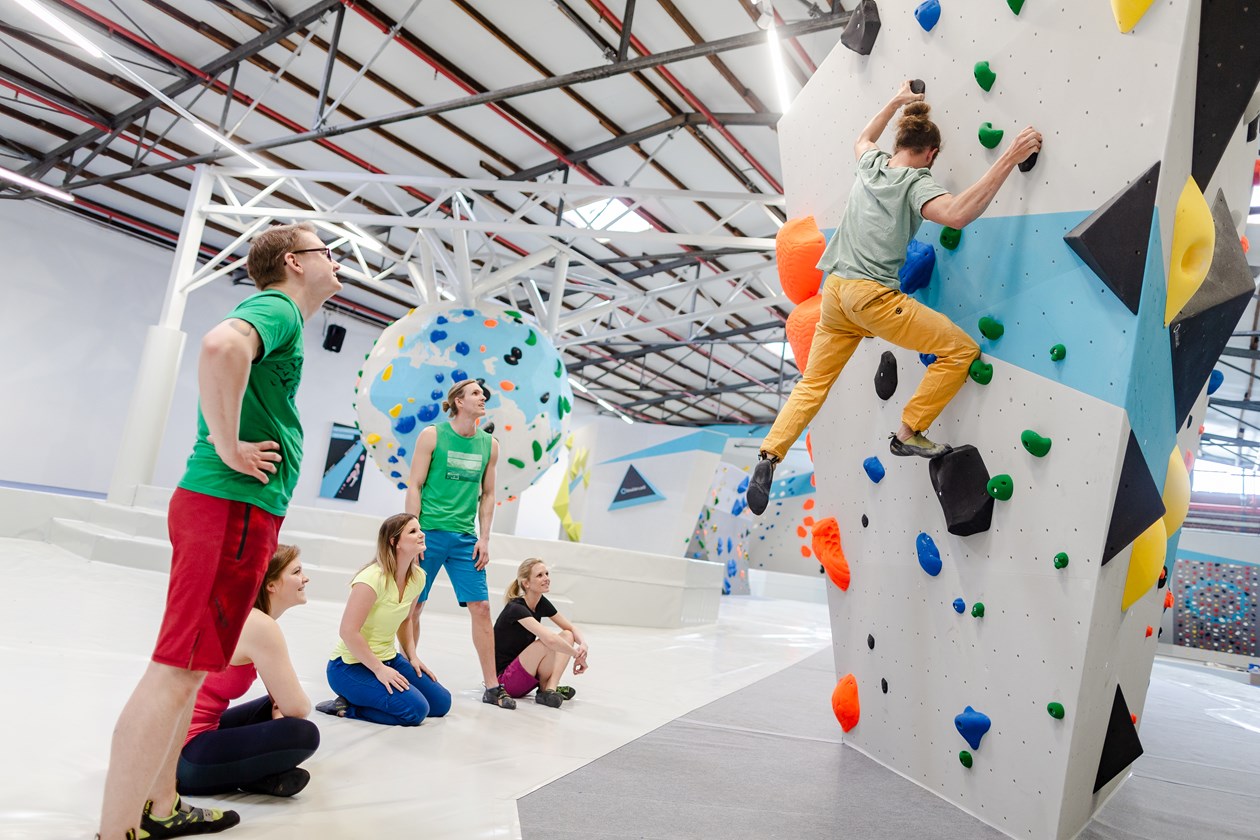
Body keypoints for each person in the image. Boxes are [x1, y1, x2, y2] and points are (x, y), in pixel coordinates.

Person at [98, 223, 341, 840]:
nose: (336, 262)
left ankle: (160, 805)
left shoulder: (284, 318)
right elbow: (217, 347)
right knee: (176, 670)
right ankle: (115, 830)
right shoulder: (279, 306)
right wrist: (229, 445)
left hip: (235, 511)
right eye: (326, 252)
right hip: (228, 507)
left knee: (194, 668)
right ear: (293, 261)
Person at [746, 81, 1042, 515]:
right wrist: (1009, 158)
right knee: (960, 350)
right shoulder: (915, 181)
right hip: (871, 297)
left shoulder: (872, 164)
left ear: (897, 143)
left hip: (835, 296)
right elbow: (958, 213)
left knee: (812, 385)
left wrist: (896, 100)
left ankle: (768, 455)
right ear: (931, 155)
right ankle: (908, 433)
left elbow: (862, 138)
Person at [173, 545, 319, 798]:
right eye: (296, 572)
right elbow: (298, 708)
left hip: (185, 738)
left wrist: (278, 707)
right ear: (271, 585)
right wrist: (282, 712)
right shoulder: (259, 626)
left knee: (270, 704)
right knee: (302, 733)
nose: (305, 578)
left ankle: (252, 775)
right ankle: (251, 776)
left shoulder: (244, 615)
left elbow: (282, 698)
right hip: (183, 759)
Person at [404, 379, 514, 709]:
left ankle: (493, 686)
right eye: (477, 394)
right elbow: (415, 485)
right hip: (430, 533)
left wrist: (485, 537)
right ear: (458, 401)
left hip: (466, 538)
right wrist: (413, 534)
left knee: (482, 608)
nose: (483, 398)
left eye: (484, 394)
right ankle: (409, 672)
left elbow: (489, 494)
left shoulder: (489, 445)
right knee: (414, 607)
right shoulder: (432, 436)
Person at [317, 513, 452, 726]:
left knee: (441, 704)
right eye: (413, 531)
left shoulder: (418, 577)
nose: (421, 534)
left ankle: (368, 696)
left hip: (389, 658)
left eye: (420, 529)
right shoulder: (371, 579)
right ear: (394, 542)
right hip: (349, 666)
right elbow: (348, 631)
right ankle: (346, 707)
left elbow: (406, 620)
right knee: (416, 711)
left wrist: (412, 656)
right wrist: (379, 669)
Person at [493, 559, 588, 708]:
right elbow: (549, 640)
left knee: (567, 634)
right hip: (506, 682)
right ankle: (548, 689)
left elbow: (571, 628)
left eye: (547, 574)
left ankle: (549, 689)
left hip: (527, 676)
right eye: (539, 575)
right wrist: (577, 655)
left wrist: (583, 645)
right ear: (526, 583)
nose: (546, 578)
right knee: (546, 641)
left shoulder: (540, 602)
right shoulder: (516, 608)